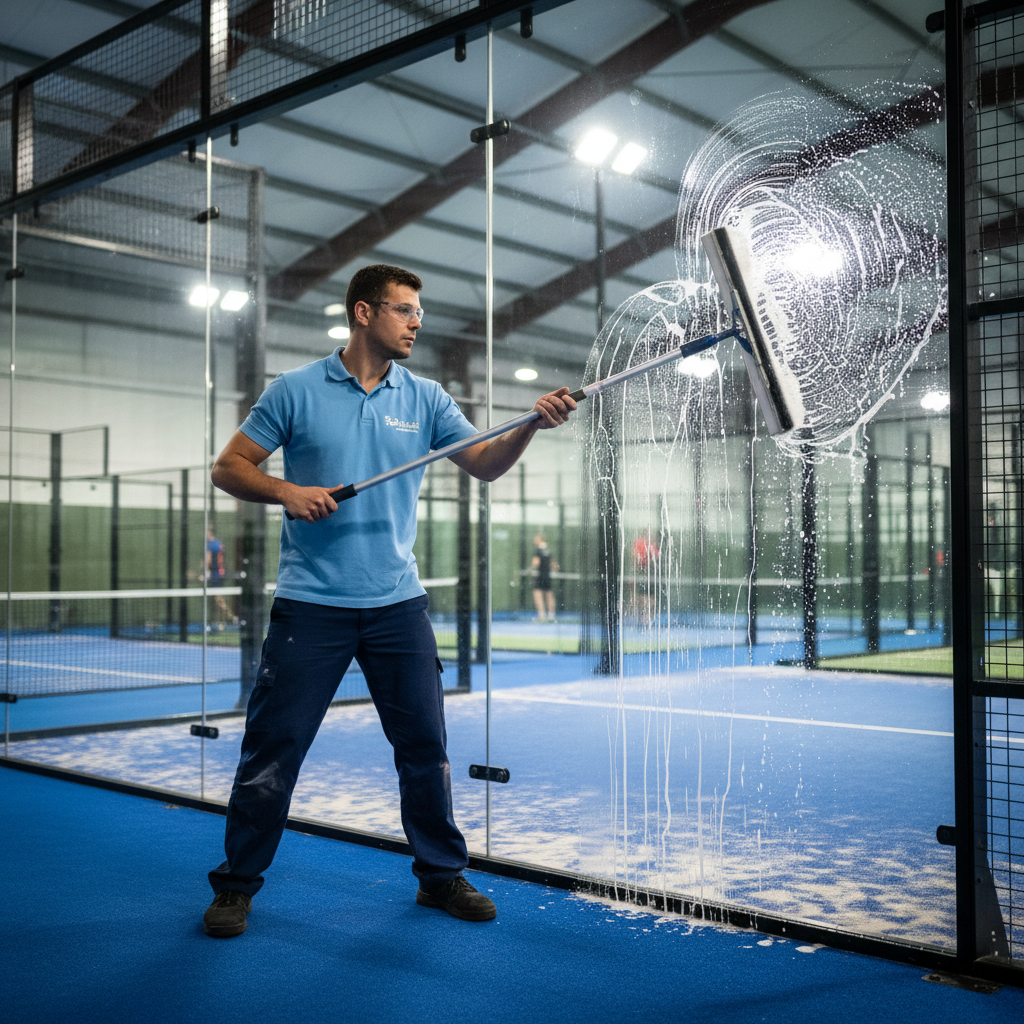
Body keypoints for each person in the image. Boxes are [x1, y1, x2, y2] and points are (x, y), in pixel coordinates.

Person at [202, 264, 576, 938]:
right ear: (363, 313)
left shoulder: (426, 397)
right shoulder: (295, 391)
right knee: (273, 750)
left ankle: (440, 877)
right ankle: (236, 885)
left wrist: (531, 426)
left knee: (424, 748)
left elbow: (486, 463)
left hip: (397, 606)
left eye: (418, 314)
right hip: (310, 607)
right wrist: (287, 492)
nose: (415, 324)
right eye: (404, 311)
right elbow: (229, 467)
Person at [204, 526, 235, 626]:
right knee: (217, 598)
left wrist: (206, 572)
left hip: (216, 574)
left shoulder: (211, 545)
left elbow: (208, 560)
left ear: (209, 533)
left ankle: (231, 617)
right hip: (221, 574)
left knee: (218, 598)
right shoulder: (219, 544)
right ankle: (221, 621)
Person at [531, 533, 557, 622]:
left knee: (537, 594)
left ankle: (541, 615)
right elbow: (554, 565)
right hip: (547, 576)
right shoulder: (548, 550)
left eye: (536, 539)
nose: (534, 541)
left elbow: (535, 563)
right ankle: (551, 615)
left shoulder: (538, 550)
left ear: (540, 540)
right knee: (549, 594)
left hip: (540, 576)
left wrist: (532, 567)